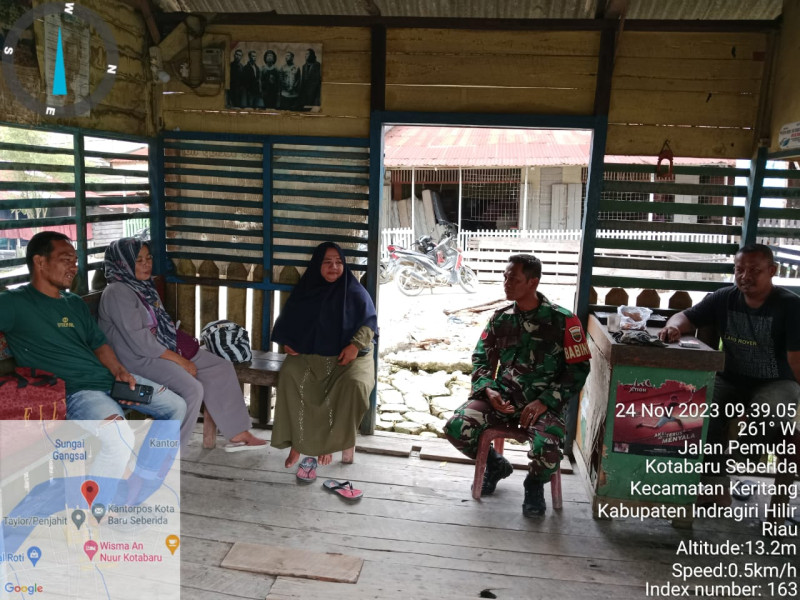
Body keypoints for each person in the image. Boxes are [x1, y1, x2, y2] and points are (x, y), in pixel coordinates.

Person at [0, 231, 187, 479]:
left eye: (75, 261)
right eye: (66, 260)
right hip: (76, 392)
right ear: (40, 261)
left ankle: (144, 476)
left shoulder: (73, 303)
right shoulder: (14, 303)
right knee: (120, 438)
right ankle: (97, 500)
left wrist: (120, 372)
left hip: (110, 381)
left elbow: (99, 344)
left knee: (176, 407)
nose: (73, 267)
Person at [444, 254, 591, 517]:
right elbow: (481, 358)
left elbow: (579, 369)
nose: (506, 283)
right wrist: (488, 389)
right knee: (457, 427)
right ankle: (496, 465)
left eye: (514, 279)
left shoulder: (563, 320)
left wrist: (545, 401)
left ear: (533, 282)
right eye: (505, 277)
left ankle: (534, 484)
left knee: (547, 450)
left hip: (543, 405)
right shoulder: (501, 319)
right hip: (503, 399)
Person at [658, 243, 800, 505]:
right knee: (700, 408)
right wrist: (673, 327)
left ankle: (741, 460)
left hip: (778, 381)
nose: (745, 276)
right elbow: (685, 316)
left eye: (754, 270)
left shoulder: (790, 306)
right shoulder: (723, 297)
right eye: (739, 269)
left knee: (771, 408)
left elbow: (796, 360)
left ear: (772, 271)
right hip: (730, 378)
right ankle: (716, 487)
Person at [98, 238, 266, 452]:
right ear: (123, 263)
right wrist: (181, 361)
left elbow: (160, 328)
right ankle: (167, 452)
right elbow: (141, 342)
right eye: (138, 260)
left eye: (148, 258)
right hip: (136, 360)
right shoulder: (117, 292)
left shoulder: (142, 286)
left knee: (220, 367)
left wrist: (180, 354)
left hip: (160, 350)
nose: (146, 264)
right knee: (191, 390)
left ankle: (237, 432)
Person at [270, 242, 377, 475]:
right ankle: (298, 444)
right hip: (311, 355)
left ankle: (327, 445)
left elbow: (369, 323)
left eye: (338, 262)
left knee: (355, 386)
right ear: (317, 265)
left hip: (348, 359)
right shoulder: (306, 290)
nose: (334, 267)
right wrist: (288, 341)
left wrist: (355, 346)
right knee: (290, 375)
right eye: (327, 262)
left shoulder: (354, 291)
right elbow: (287, 321)